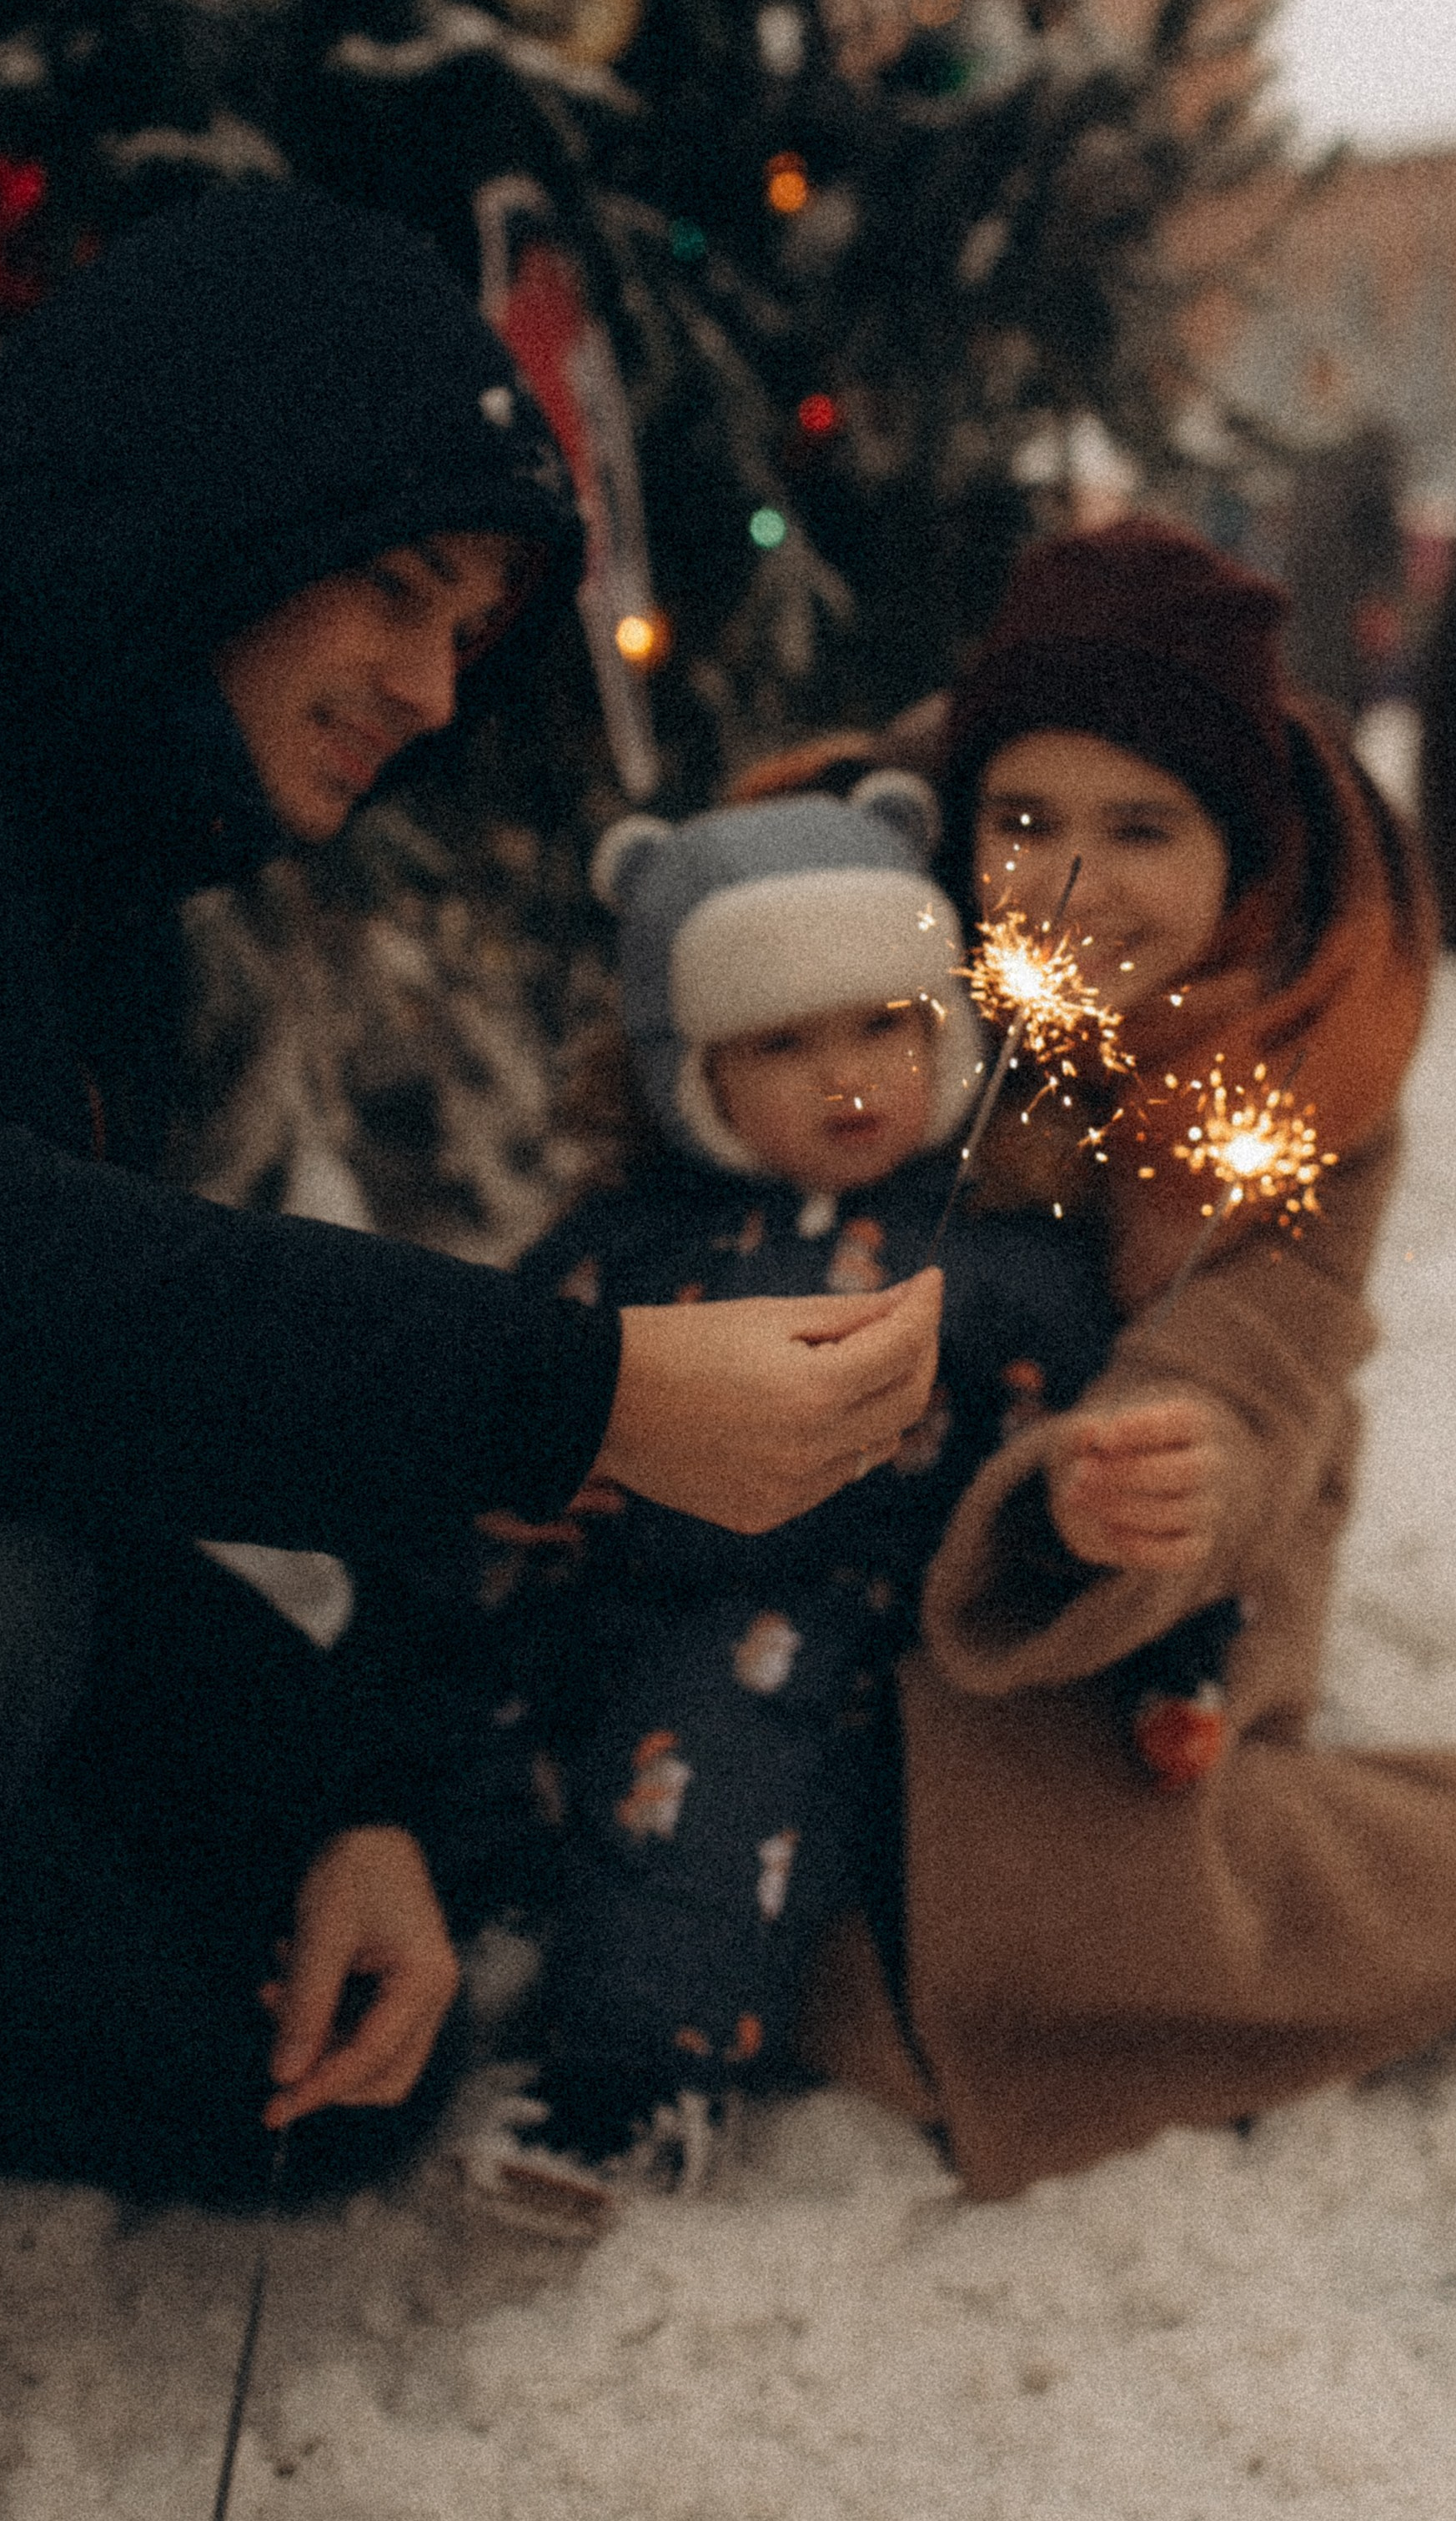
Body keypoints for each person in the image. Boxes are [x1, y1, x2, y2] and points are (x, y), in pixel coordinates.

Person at [0, 182, 938, 2206]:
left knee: (289, 2060)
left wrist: (332, 1806)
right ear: (205, 512)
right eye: (394, 587)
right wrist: (587, 1395)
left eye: (467, 632)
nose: (431, 686)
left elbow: (45, 1411)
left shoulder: (98, 915)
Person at [793, 516, 1456, 2202]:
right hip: (823, 1497)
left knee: (1083, 1876)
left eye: (1140, 828)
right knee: (740, 1851)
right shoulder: (857, 958)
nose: (1069, 876)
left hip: (1156, 1516)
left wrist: (1162, 1464)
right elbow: (667, 1178)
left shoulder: (1292, 1044)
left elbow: (1263, 1340)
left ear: (1237, 848)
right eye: (1024, 820)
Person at [445, 776, 1114, 2222]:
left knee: (719, 1743)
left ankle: (639, 2067)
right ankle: (471, 1915)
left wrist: (1136, 1598)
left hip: (818, 1609)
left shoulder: (997, 1260)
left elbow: (1086, 1461)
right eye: (782, 1041)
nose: (849, 1074)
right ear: (688, 1070)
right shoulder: (626, 1242)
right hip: (603, 1570)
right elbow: (501, 1384)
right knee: (460, 1669)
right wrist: (502, 1479)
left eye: (887, 1022)